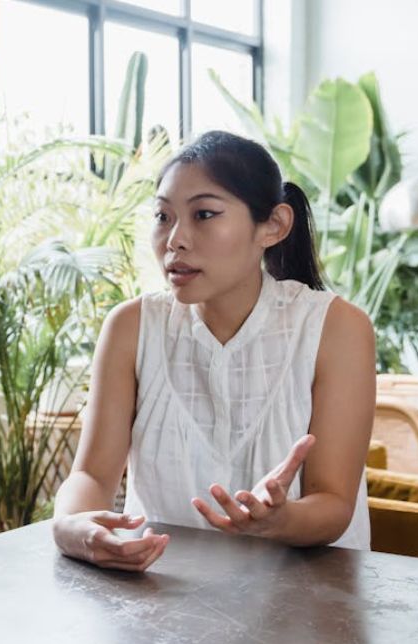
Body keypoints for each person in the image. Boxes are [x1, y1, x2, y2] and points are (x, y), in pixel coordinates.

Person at [51, 130, 376, 571]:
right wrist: (74, 526)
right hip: (164, 597)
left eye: (204, 214)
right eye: (162, 217)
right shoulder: (131, 327)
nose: (174, 240)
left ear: (274, 225)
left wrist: (277, 520)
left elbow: (334, 504)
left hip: (307, 609)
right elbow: (90, 474)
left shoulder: (337, 327)